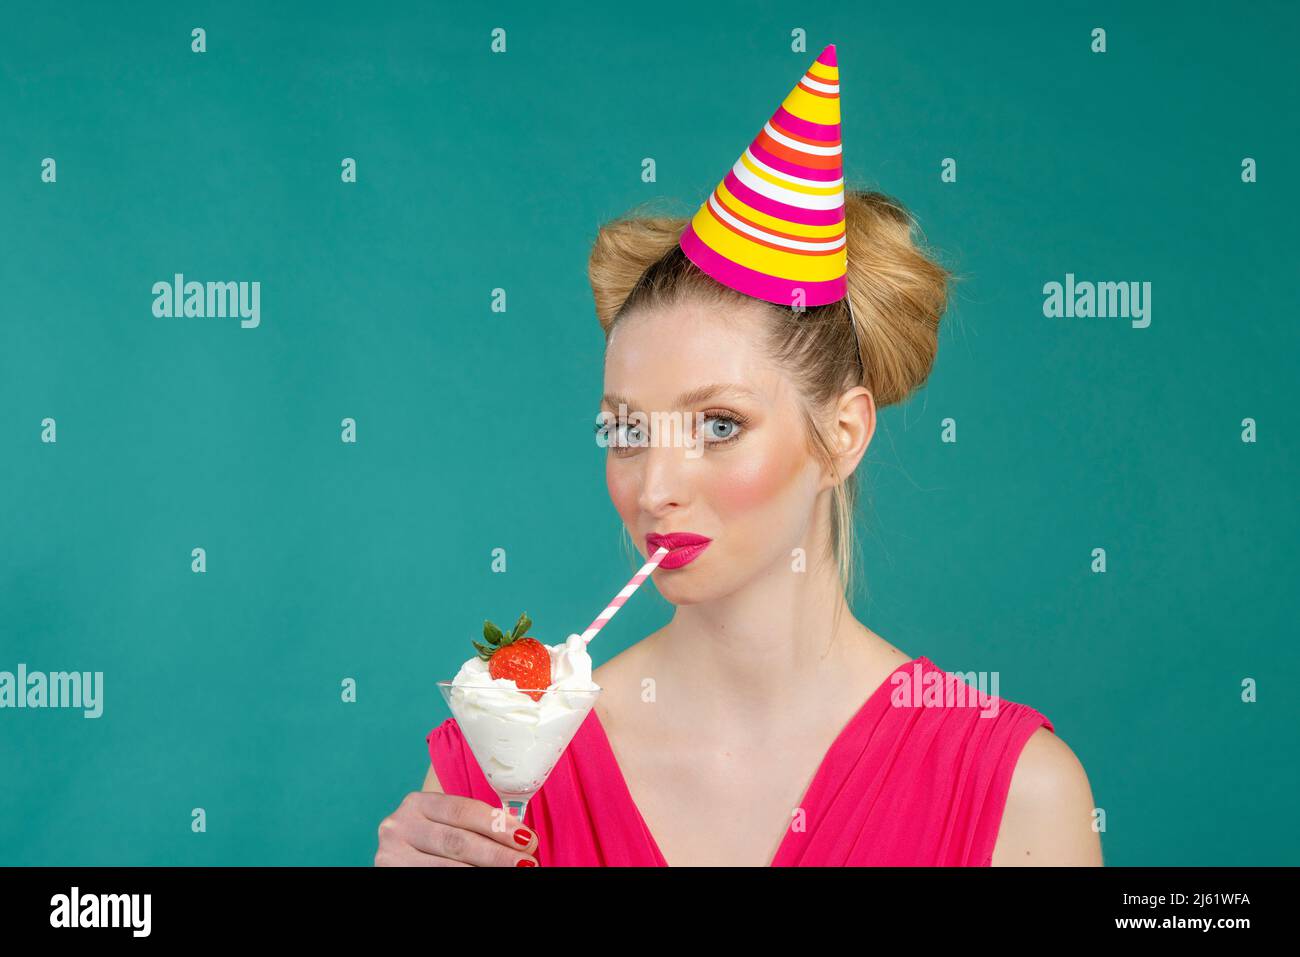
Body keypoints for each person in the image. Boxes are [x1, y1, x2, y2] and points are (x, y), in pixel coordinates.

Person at [376, 43, 1101, 867]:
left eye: (719, 424)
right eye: (626, 431)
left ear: (842, 436)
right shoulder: (497, 779)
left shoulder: (1015, 792)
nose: (656, 486)